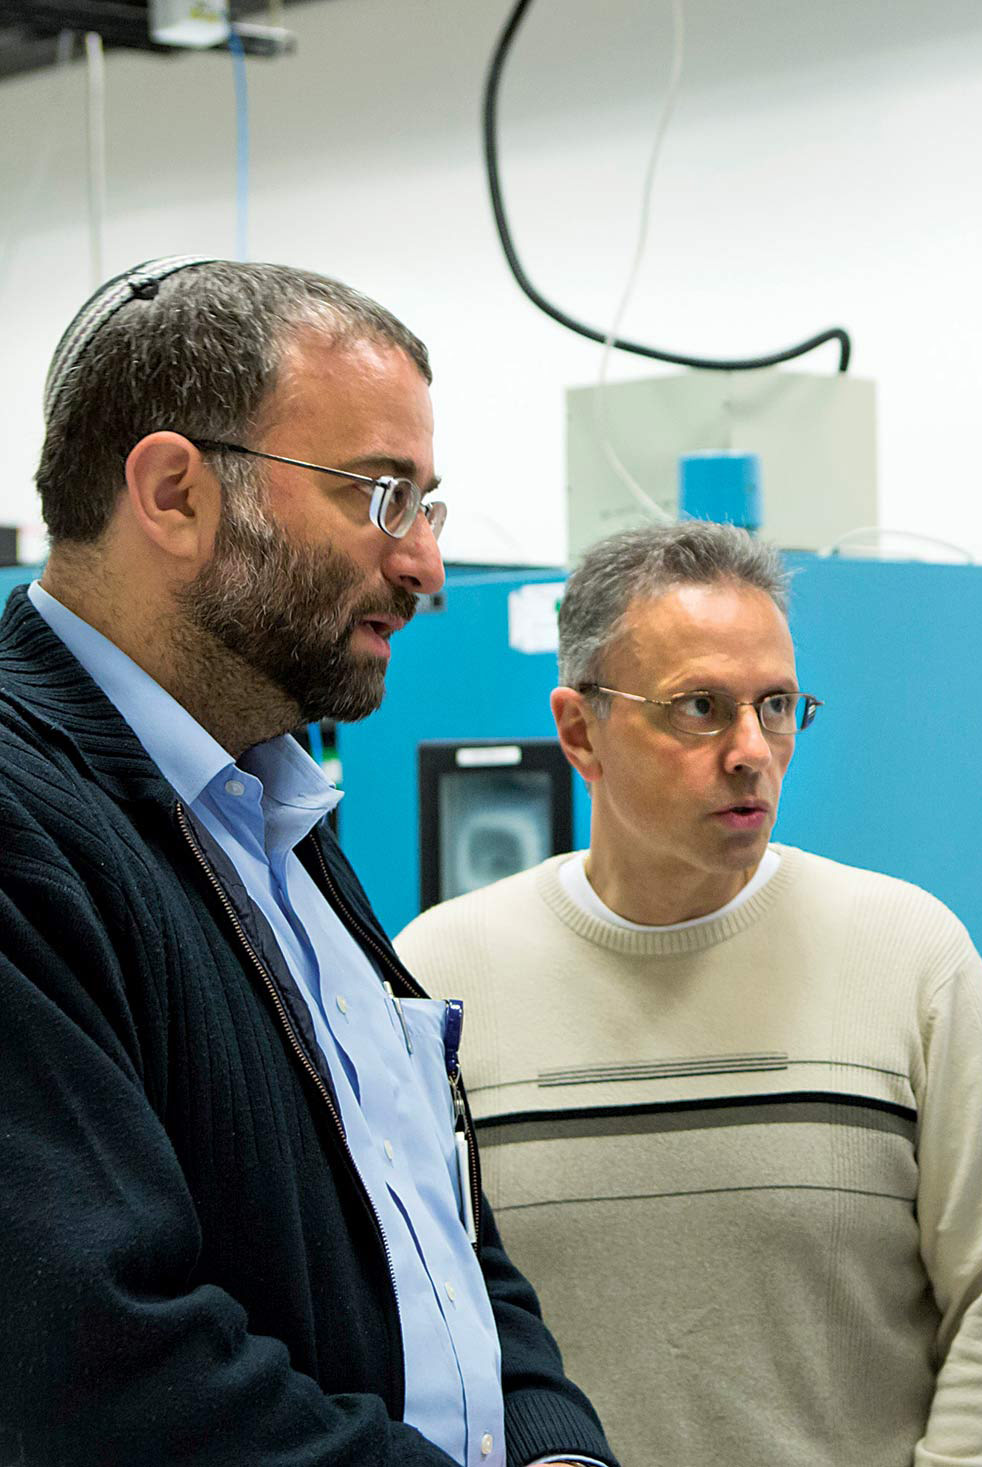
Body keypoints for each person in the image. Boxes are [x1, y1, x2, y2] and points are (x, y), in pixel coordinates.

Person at [0, 257, 615, 1464]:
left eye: (426, 507)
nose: (425, 568)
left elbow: (432, 1221)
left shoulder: (270, 812)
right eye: (380, 496)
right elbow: (102, 1373)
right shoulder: (27, 826)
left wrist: (552, 1444)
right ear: (174, 492)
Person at [395, 521, 982, 1466]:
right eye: (700, 707)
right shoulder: (441, 979)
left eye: (777, 705)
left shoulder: (911, 958)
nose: (752, 749)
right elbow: (405, 1318)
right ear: (580, 730)